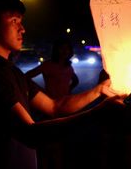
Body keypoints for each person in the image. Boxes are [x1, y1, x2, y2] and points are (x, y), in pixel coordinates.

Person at [0, 0, 126, 169]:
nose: (22, 29)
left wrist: (100, 89)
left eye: (21, 21)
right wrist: (98, 114)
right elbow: (30, 134)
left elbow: (55, 107)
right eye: (14, 21)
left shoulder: (13, 72)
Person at [24, 37, 79, 169]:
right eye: (62, 47)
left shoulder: (69, 66)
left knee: (63, 143)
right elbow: (26, 77)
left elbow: (75, 80)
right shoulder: (48, 65)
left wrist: (68, 91)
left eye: (67, 48)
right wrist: (39, 92)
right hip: (50, 109)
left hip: (66, 108)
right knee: (51, 145)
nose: (65, 51)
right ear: (56, 50)